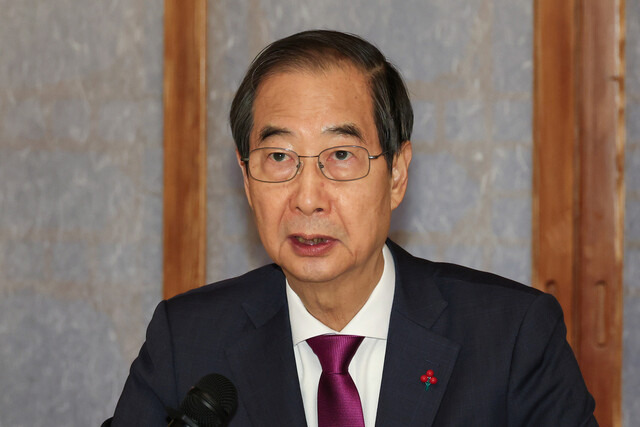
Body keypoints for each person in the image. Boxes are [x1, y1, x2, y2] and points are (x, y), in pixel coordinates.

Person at [108, 30, 596, 426]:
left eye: (341, 155)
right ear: (246, 179)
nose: (307, 198)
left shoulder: (511, 338)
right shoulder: (187, 341)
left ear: (397, 174)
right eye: (278, 157)